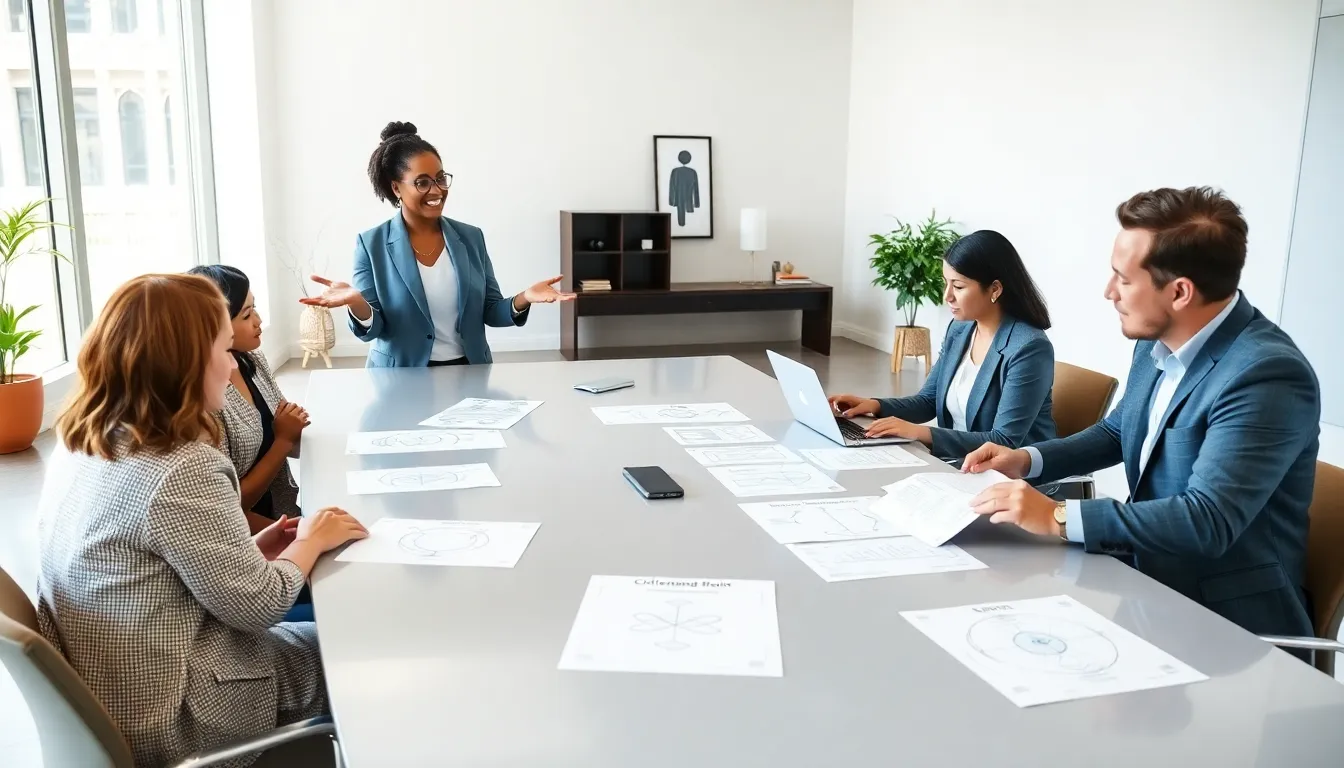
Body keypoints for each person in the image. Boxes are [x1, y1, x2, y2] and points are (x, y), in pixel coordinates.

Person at [35, 273, 368, 766]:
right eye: (224, 349)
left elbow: (153, 570)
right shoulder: (181, 465)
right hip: (184, 716)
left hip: (120, 693)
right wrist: (311, 541)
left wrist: (257, 547)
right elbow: (259, 606)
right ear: (186, 364)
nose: (233, 364)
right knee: (364, 648)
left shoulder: (85, 438)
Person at [963, 186, 1320, 641]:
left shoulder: (1266, 374)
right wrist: (1027, 459)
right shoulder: (1155, 339)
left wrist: (1057, 516)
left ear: (1180, 292)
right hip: (1142, 584)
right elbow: (1118, 430)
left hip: (1228, 624)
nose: (1109, 292)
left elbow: (1207, 520)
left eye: (1124, 279)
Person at [300, 120, 575, 367]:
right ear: (396, 188)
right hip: (402, 376)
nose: (437, 190)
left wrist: (525, 297)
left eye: (440, 179)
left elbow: (491, 311)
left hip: (469, 369)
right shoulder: (371, 244)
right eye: (422, 183)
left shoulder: (470, 237)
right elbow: (373, 329)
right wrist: (355, 301)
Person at [828, 230, 1056, 460]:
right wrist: (873, 405)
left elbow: (1004, 441)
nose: (947, 296)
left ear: (995, 289)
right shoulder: (960, 330)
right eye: (945, 283)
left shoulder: (1029, 348)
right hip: (958, 462)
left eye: (958, 286)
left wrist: (920, 432)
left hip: (1008, 477)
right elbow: (927, 401)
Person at [189, 264, 304, 533]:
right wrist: (283, 442)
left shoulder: (252, 360)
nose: (259, 321)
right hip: (247, 530)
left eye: (255, 309)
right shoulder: (202, 397)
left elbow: (288, 427)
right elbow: (229, 507)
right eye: (246, 314)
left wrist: (293, 432)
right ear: (213, 325)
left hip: (280, 510)